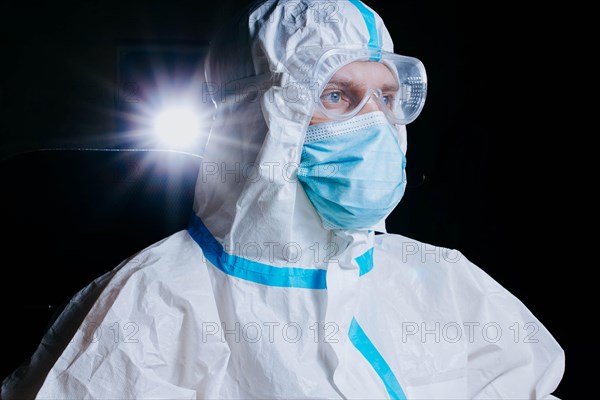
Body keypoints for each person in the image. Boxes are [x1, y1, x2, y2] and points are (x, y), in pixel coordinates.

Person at [2, 0, 564, 398]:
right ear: (256, 119)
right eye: (337, 95)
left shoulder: (439, 279)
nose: (377, 124)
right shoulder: (159, 304)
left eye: (388, 97)